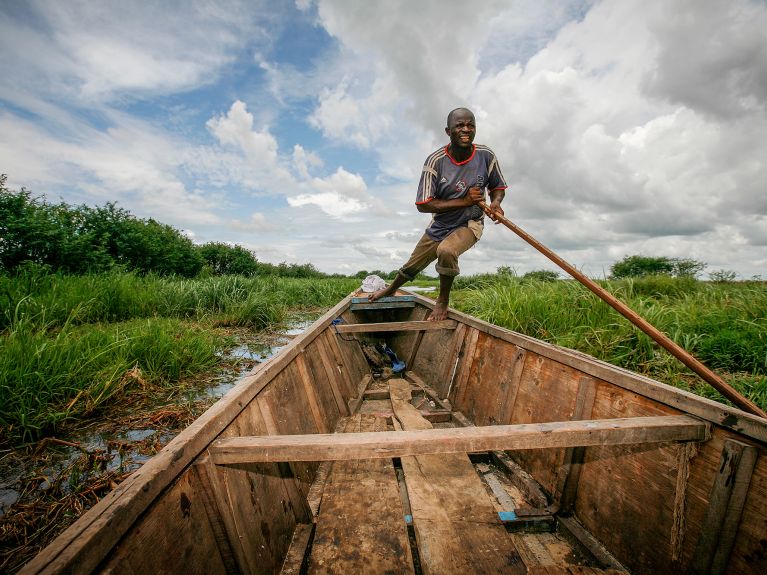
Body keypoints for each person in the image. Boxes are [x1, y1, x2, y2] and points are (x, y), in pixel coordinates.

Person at [369, 107, 507, 320]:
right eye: (459, 125)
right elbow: (423, 204)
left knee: (447, 251)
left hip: (470, 223)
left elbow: (497, 186)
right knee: (410, 267)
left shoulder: (485, 156)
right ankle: (389, 289)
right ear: (447, 131)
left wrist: (496, 202)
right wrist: (465, 200)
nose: (466, 130)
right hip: (441, 224)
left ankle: (442, 301)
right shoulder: (436, 161)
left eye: (471, 125)